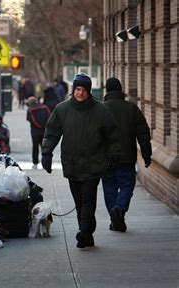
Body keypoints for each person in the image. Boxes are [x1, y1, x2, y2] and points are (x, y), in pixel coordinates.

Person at [41, 73, 121, 248]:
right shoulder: (62, 110)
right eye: (77, 89)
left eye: (84, 90)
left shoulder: (101, 111)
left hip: (94, 164)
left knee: (88, 201)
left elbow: (113, 136)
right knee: (79, 202)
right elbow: (51, 132)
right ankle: (87, 232)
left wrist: (114, 155)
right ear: (73, 90)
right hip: (72, 164)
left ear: (89, 91)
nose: (80, 93)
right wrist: (47, 153)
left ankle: (83, 233)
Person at [102, 77, 152, 232]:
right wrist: (146, 155)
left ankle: (115, 217)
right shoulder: (131, 108)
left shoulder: (100, 109)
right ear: (120, 90)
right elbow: (143, 133)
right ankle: (120, 210)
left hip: (106, 159)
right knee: (127, 185)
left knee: (109, 189)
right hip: (127, 157)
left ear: (107, 90)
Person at [26, 96, 51, 169]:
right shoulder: (44, 107)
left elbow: (29, 119)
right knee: (45, 147)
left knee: (35, 147)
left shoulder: (30, 109)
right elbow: (50, 116)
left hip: (35, 131)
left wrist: (38, 125)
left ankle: (35, 162)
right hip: (45, 130)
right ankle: (46, 163)